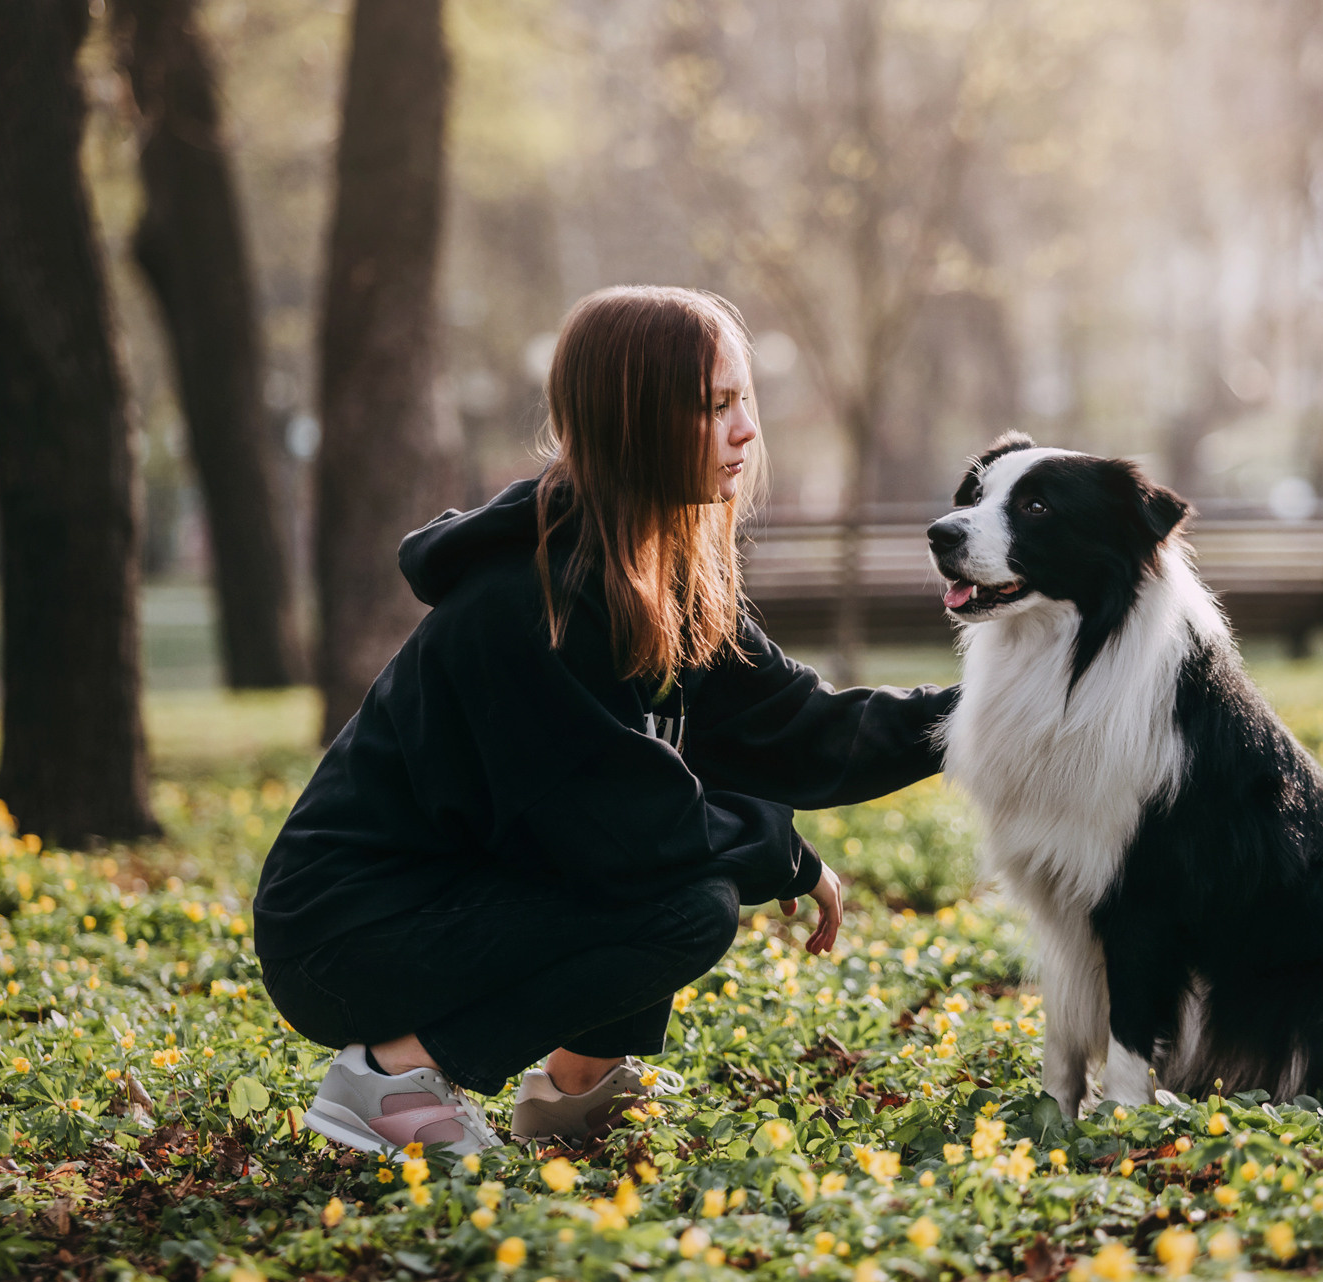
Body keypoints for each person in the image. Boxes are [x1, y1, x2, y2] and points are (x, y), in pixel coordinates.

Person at [253, 285, 955, 1154]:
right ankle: (391, 1077)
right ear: (634, 422)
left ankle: (574, 1089)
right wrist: (783, 853)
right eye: (714, 407)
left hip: (447, 898)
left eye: (744, 401)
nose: (746, 430)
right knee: (686, 902)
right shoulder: (527, 600)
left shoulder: (660, 573)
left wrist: (981, 717)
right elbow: (632, 832)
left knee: (676, 879)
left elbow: (801, 726)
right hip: (344, 936)